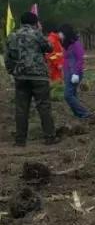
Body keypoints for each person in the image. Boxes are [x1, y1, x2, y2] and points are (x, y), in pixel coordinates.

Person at [4, 12, 58, 147]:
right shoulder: (37, 33)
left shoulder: (12, 36)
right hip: (39, 76)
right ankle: (50, 137)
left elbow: (7, 57)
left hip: (21, 76)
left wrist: (13, 71)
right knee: (44, 106)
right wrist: (40, 30)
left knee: (21, 109)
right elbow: (50, 48)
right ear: (35, 22)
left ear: (21, 22)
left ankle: (20, 140)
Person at [60, 24, 91, 119]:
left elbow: (80, 59)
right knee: (73, 94)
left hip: (74, 73)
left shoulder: (76, 44)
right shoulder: (66, 44)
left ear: (66, 33)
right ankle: (78, 114)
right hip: (67, 72)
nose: (59, 34)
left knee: (68, 95)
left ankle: (84, 113)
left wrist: (76, 74)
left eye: (61, 32)